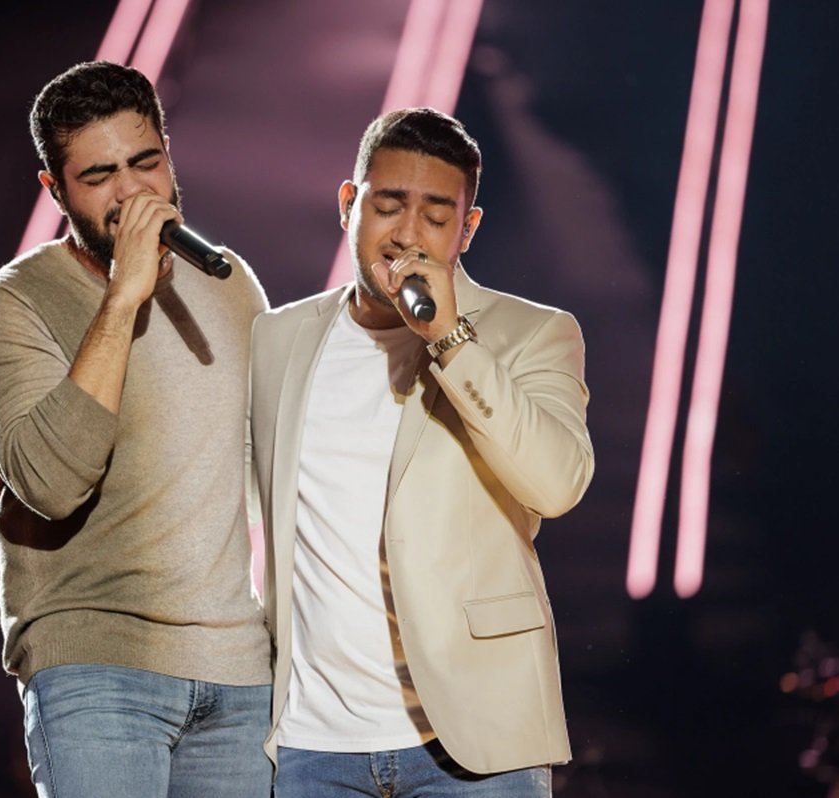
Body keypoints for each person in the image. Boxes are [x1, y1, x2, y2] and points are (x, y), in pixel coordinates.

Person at [248, 107, 594, 797]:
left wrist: (450, 340)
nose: (406, 234)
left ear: (467, 228)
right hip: (315, 744)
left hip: (474, 747)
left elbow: (557, 485)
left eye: (436, 216)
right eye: (388, 206)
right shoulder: (277, 340)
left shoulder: (533, 333)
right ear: (349, 204)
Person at [0, 61, 272, 798]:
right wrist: (124, 297)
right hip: (98, 669)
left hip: (238, 675)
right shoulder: (8, 307)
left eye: (146, 162)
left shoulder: (229, 284)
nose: (133, 193)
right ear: (55, 190)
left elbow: (273, 464)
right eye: (100, 175)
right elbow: (56, 483)